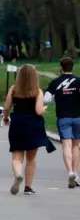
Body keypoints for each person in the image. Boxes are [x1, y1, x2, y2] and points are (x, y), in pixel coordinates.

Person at [3, 64, 55, 195]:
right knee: (31, 158)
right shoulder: (37, 91)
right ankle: (28, 187)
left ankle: (18, 175)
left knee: (16, 155)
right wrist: (43, 109)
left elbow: (6, 107)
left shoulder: (14, 89)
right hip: (33, 126)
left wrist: (5, 118)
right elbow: (38, 111)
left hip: (18, 124)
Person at [44, 57, 80, 188]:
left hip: (63, 117)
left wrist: (57, 98)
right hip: (77, 117)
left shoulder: (55, 83)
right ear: (72, 68)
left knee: (66, 145)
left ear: (61, 68)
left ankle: (70, 171)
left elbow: (46, 99)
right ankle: (76, 174)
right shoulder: (78, 81)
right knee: (76, 146)